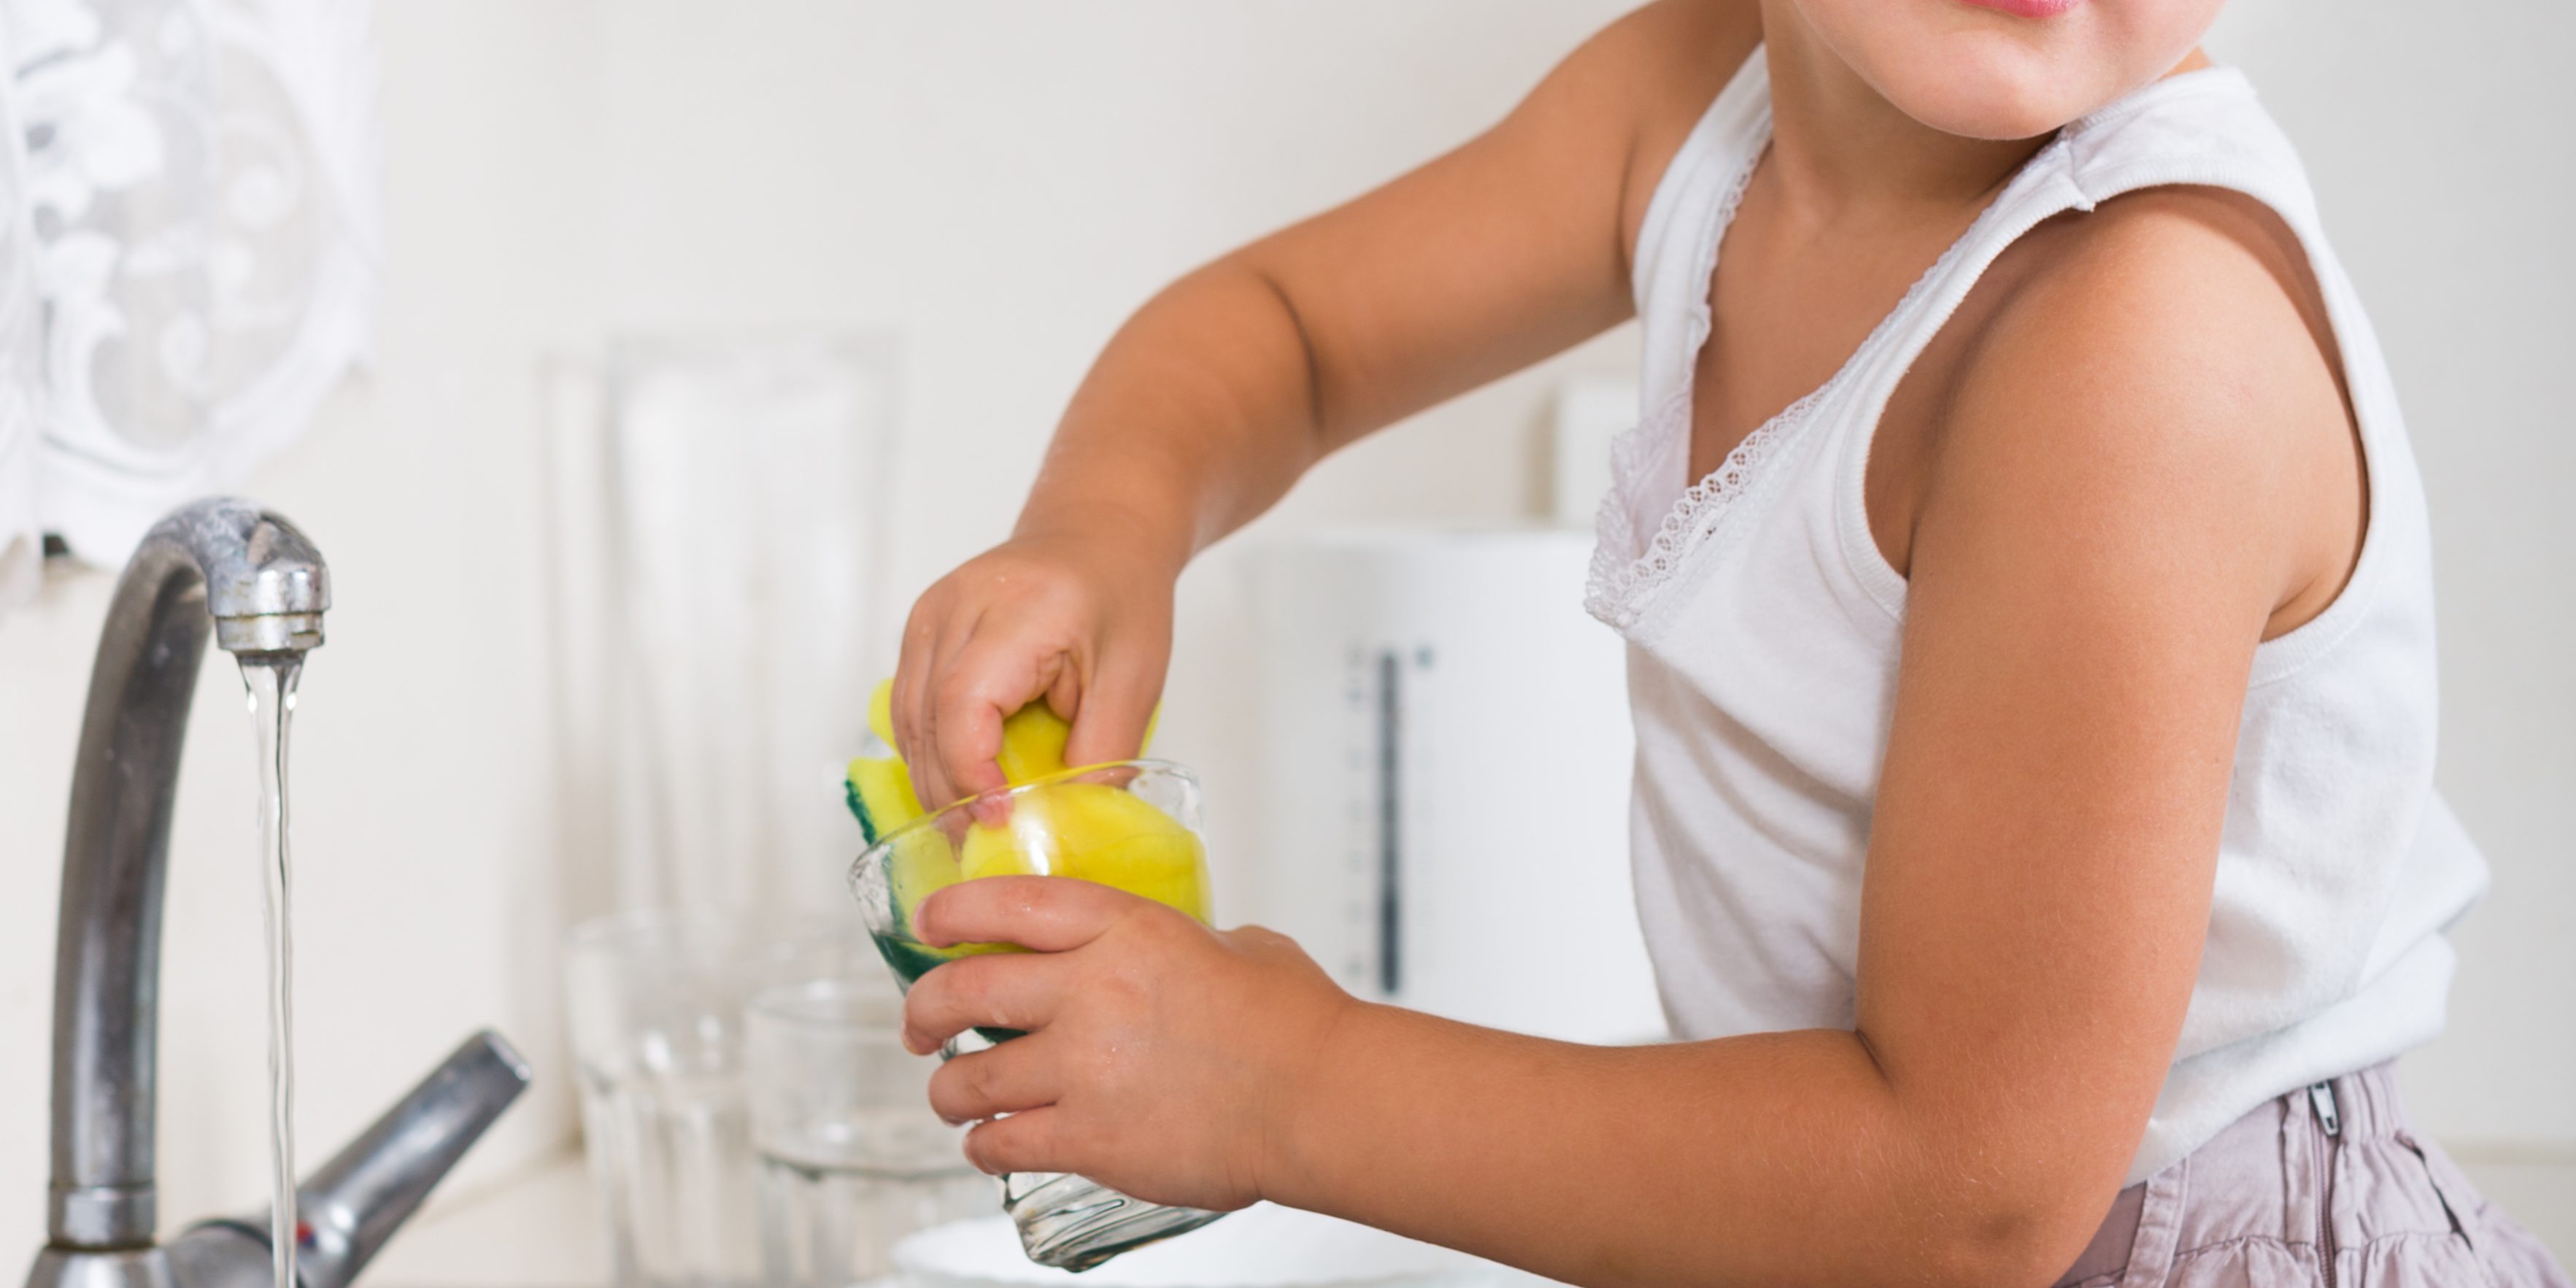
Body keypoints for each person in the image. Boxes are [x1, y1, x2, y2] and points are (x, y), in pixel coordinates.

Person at [879, 0, 2572, 1283]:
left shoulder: (2138, 345)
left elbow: (1964, 1188)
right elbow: (1294, 333)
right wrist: (1102, 527)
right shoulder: (1695, 103)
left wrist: (1292, 1085)